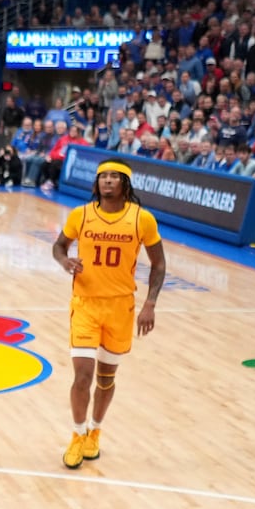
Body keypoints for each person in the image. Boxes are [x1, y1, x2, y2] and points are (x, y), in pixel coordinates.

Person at [51, 160, 166, 469]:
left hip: (120, 307)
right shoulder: (82, 214)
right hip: (85, 304)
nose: (108, 181)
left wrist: (150, 303)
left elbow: (158, 263)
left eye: (115, 177)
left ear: (125, 184)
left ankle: (95, 431)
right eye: (104, 176)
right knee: (82, 376)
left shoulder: (142, 219)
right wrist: (65, 262)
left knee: (106, 378)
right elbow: (59, 246)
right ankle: (76, 435)